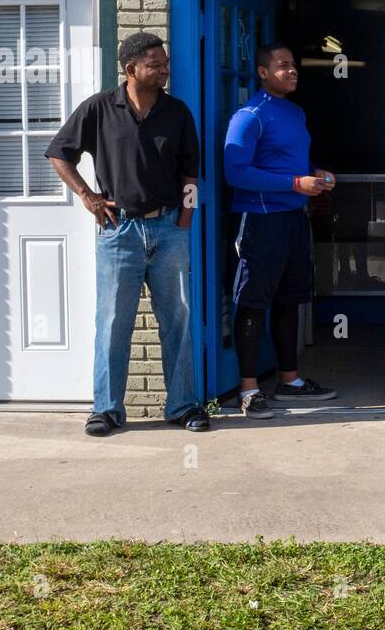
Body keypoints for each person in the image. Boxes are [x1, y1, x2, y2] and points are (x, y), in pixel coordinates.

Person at [46, 31, 209, 435]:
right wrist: (87, 196)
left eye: (165, 63)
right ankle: (106, 409)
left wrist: (185, 219)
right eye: (156, 64)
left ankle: (183, 405)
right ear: (131, 68)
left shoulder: (177, 112)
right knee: (114, 321)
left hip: (170, 228)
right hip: (120, 233)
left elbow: (192, 171)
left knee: (177, 319)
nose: (164, 70)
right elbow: (58, 152)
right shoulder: (100, 108)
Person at [223, 42, 338, 418]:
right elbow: (235, 172)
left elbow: (293, 162)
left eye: (294, 65)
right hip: (260, 219)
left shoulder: (294, 112)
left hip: (293, 218)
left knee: (291, 299)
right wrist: (294, 184)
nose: (292, 71)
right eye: (283, 65)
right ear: (262, 72)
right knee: (253, 300)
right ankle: (248, 389)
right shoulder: (248, 116)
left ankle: (290, 381)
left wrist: (316, 174)